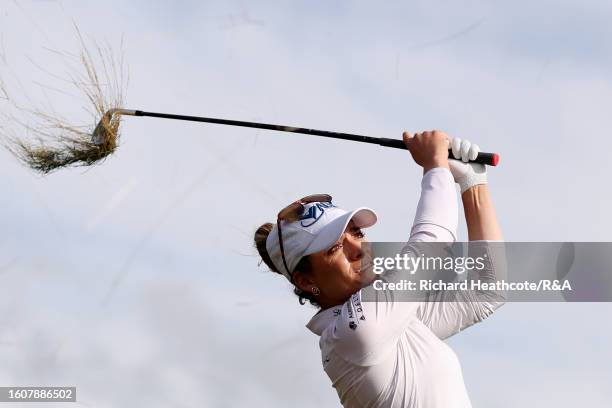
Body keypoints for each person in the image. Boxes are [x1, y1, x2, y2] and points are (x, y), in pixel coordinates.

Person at [254, 130, 504, 407]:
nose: (358, 248)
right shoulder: (355, 333)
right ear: (305, 280)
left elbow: (487, 291)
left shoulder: (388, 323)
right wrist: (435, 166)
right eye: (335, 247)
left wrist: (472, 183)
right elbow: (432, 244)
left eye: (357, 233)